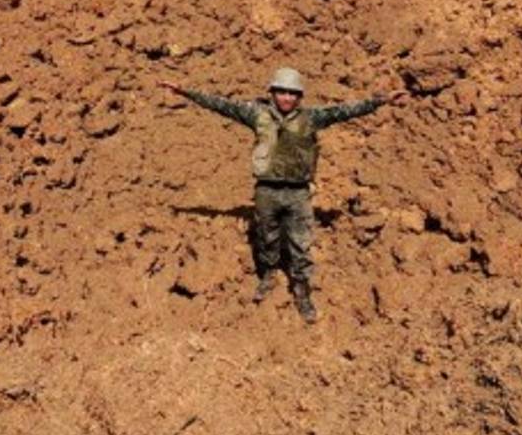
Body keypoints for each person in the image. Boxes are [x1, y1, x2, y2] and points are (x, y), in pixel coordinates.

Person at [161, 68, 404, 324]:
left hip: (298, 193)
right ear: (272, 93)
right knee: (267, 237)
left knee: (301, 244)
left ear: (300, 96)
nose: (287, 97)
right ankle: (269, 275)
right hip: (266, 190)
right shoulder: (257, 114)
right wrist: (184, 91)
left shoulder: (311, 118)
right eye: (282, 92)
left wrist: (382, 100)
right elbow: (222, 104)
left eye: (293, 93)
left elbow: (347, 110)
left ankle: (302, 291)